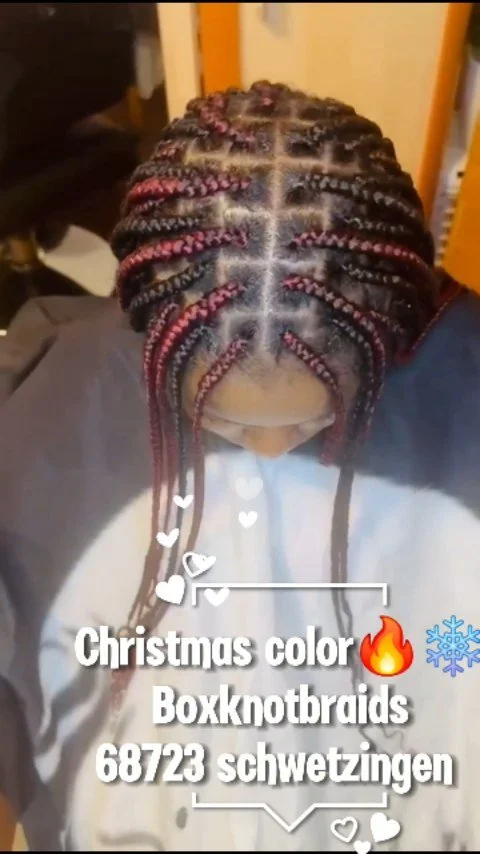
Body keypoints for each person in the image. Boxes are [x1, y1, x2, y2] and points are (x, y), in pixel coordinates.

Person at [1, 81, 480, 852]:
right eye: (224, 422)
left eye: (315, 419)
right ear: (152, 342)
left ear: (391, 338)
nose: (270, 449)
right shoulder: (48, 400)